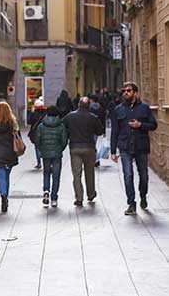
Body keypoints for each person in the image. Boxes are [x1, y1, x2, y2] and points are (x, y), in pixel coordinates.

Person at [110, 82, 158, 215]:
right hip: (125, 146)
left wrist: (140, 125)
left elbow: (153, 125)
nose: (126, 93)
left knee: (144, 176)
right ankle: (131, 203)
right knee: (128, 175)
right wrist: (113, 151)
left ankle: (143, 196)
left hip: (141, 146)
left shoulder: (144, 108)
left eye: (129, 90)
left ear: (135, 93)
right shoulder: (118, 109)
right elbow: (114, 131)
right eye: (124, 91)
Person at [63, 97, 104, 206]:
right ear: (89, 106)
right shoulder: (93, 117)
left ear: (78, 105)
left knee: (76, 174)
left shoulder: (70, 116)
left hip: (75, 147)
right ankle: (91, 194)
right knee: (89, 172)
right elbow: (100, 131)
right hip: (89, 148)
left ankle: (79, 198)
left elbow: (63, 127)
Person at [0, 102, 21, 213]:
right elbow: (18, 138)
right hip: (10, 153)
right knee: (6, 176)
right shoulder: (13, 125)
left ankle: (3, 197)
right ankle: (5, 196)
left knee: (1, 177)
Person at [36, 105, 68, 208]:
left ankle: (46, 190)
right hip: (57, 153)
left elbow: (37, 140)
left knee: (46, 173)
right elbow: (64, 140)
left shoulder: (41, 126)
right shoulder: (61, 126)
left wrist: (42, 149)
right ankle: (54, 198)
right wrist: (60, 149)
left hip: (45, 153)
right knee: (56, 175)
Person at [28, 99, 47, 169]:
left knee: (37, 147)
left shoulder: (34, 113)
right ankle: (44, 160)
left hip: (36, 131)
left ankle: (39, 162)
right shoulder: (46, 112)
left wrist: (31, 112)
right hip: (44, 131)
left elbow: (29, 121)